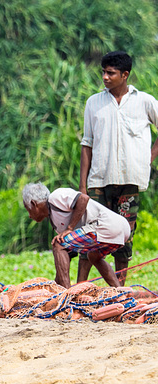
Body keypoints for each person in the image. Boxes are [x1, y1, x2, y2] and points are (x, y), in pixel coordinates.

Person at [78, 51, 158, 285]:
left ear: (125, 75)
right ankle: (80, 288)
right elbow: (87, 144)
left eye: (110, 73)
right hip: (98, 182)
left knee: (124, 238)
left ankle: (119, 290)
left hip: (130, 181)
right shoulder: (94, 102)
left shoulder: (144, 101)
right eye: (103, 72)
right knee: (90, 236)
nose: (105, 77)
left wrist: (148, 159)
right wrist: (83, 186)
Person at [22, 183, 130, 288]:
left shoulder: (55, 197)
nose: (30, 216)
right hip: (119, 232)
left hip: (108, 225)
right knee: (93, 256)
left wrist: (70, 228)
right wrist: (56, 282)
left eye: (28, 210)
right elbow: (65, 256)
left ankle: (67, 295)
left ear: (34, 204)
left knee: (58, 244)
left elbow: (83, 198)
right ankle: (119, 290)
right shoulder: (55, 221)